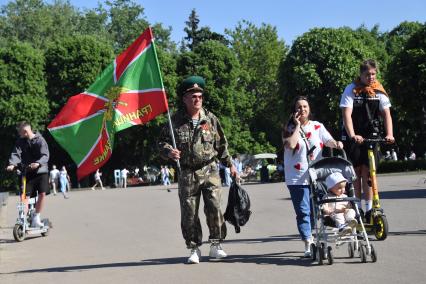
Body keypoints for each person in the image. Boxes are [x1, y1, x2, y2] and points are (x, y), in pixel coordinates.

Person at [159, 75, 237, 264]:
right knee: (189, 212)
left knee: (215, 208)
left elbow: (221, 145)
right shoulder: (175, 121)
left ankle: (216, 244)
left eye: (200, 96)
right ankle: (194, 248)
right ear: (184, 98)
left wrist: (231, 165)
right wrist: (169, 152)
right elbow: (161, 143)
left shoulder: (210, 119)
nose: (197, 99)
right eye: (193, 96)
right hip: (187, 172)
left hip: (209, 169)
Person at [282, 96, 343, 257]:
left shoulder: (317, 126)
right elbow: (292, 144)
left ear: (309, 109)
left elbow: (327, 139)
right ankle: (308, 241)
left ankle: (311, 235)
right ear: (294, 111)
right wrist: (296, 125)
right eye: (299, 107)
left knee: (316, 209)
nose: (302, 109)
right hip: (296, 177)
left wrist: (336, 143)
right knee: (303, 211)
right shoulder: (288, 128)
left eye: (305, 106)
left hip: (316, 175)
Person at [340, 59, 395, 217]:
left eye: (373, 74)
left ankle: (369, 209)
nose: (371, 77)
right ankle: (357, 209)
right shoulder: (351, 89)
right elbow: (346, 115)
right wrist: (352, 135)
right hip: (354, 134)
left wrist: (389, 134)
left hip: (372, 134)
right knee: (356, 172)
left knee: (369, 173)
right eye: (367, 74)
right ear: (361, 75)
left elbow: (386, 115)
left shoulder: (379, 90)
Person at [6, 121, 50, 227]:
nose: (18, 134)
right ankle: (23, 218)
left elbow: (45, 155)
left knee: (42, 194)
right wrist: (12, 164)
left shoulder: (40, 140)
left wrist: (38, 163)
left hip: (41, 171)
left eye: (19, 131)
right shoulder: (20, 142)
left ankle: (36, 217)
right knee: (24, 196)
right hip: (27, 172)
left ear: (25, 131)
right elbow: (16, 154)